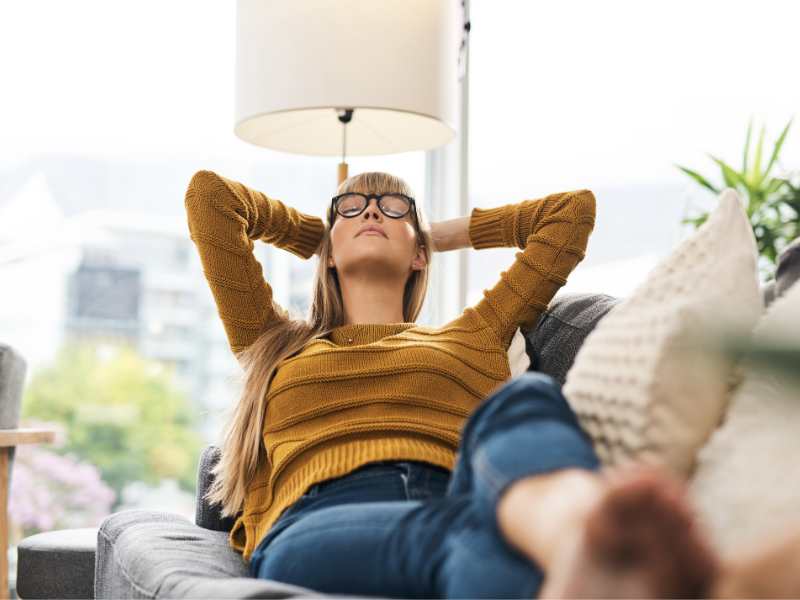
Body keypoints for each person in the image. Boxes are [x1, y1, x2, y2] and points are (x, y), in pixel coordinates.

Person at [184, 169, 799, 598]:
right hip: (321, 519)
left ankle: (584, 530)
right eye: (352, 206)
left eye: (394, 206)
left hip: (476, 496)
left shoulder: (473, 335)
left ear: (422, 252)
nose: (372, 210)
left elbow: (569, 214)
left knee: (524, 397)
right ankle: (595, 552)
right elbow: (210, 198)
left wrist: (431, 233)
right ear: (326, 249)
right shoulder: (273, 342)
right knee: (470, 544)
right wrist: (324, 237)